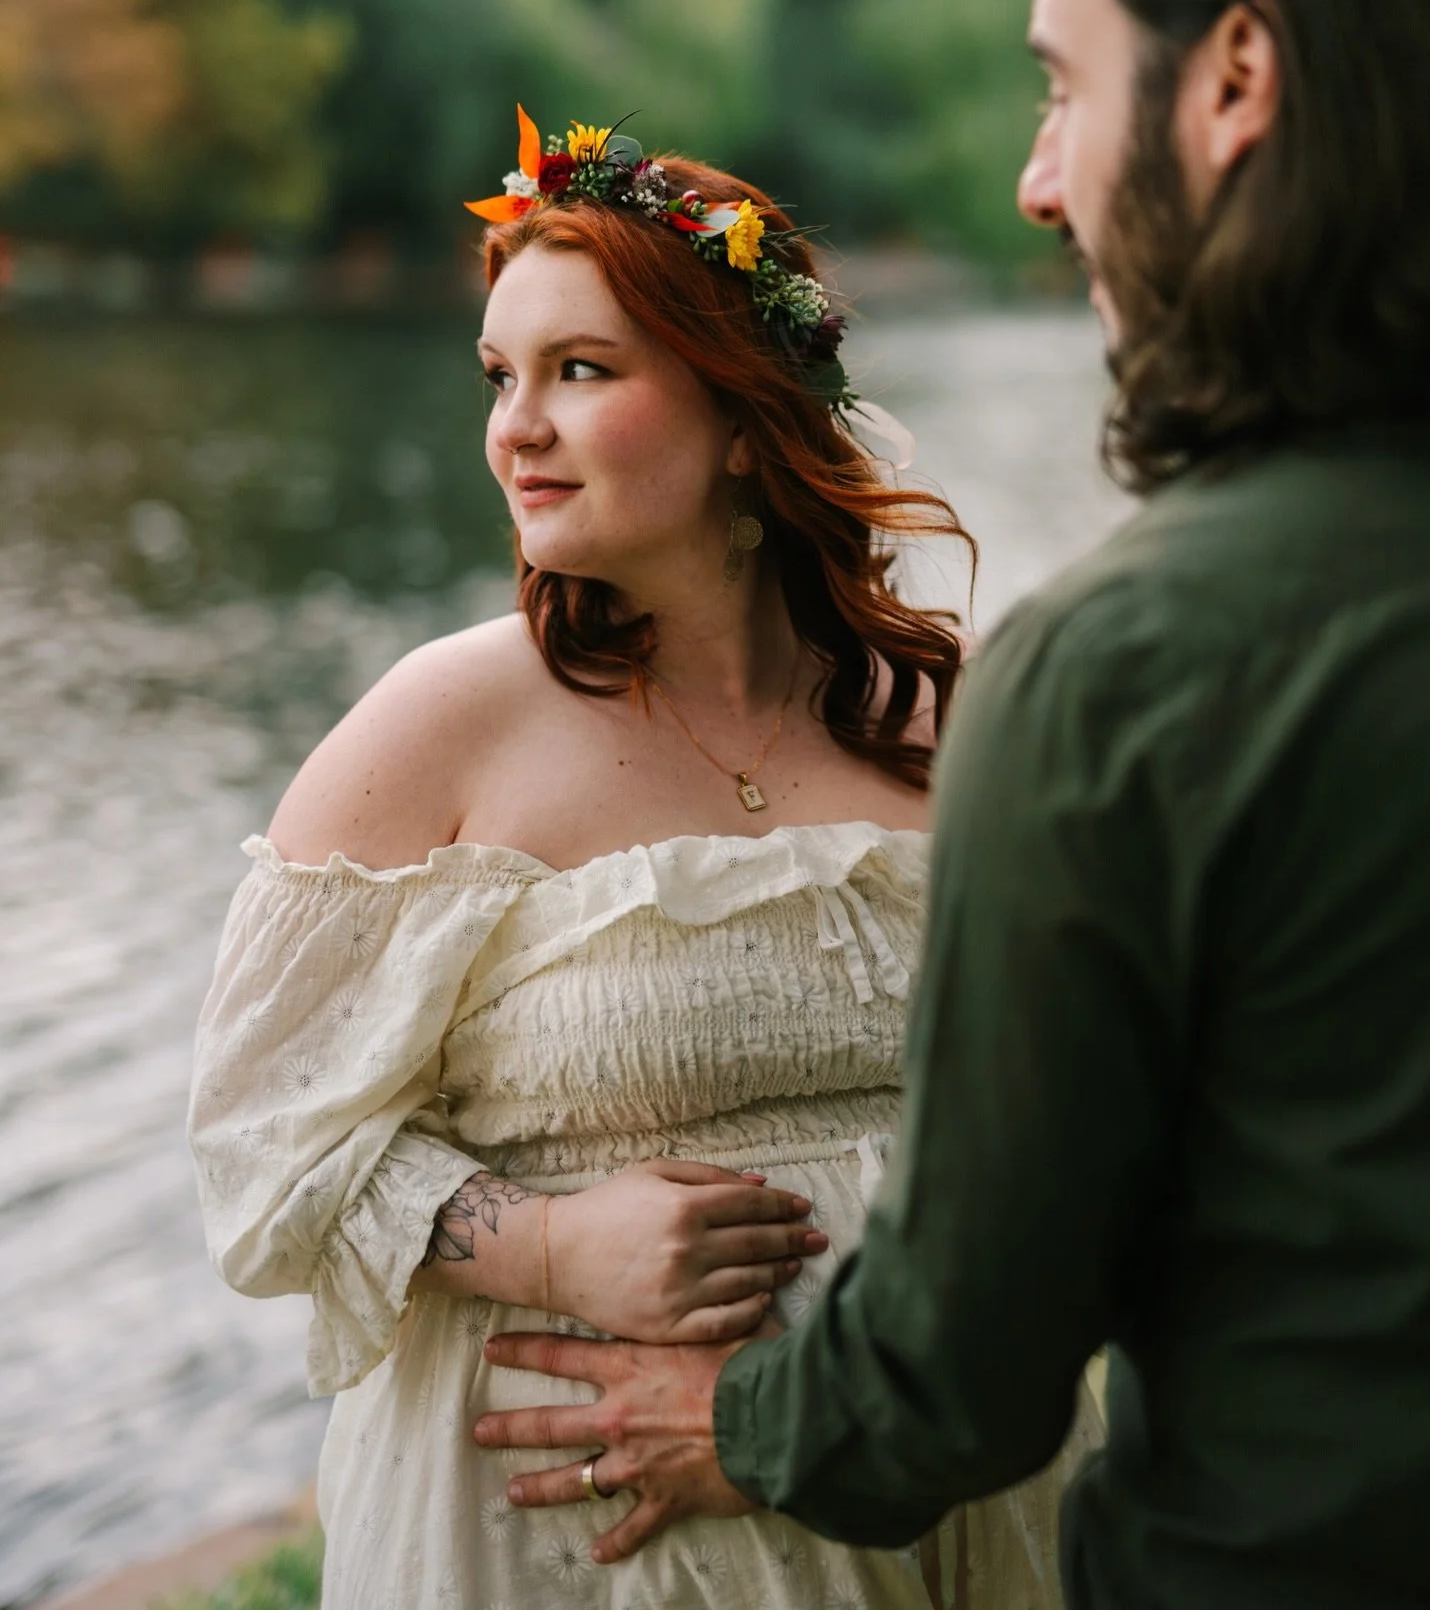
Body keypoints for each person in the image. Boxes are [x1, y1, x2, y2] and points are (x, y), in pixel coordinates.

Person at [469, 0, 1430, 1607]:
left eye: (1064, 88)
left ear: (1238, 80)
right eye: (501, 376)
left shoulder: (1127, 675)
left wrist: (742, 1420)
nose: (1038, 182)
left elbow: (963, 1364)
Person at [188, 113, 1100, 1607]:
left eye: (581, 371)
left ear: (744, 417)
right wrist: (544, 1246)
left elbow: (1085, 1113)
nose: (514, 429)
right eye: (500, 376)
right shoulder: (439, 726)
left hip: (939, 1497)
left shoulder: (962, 716)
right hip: (572, 1532)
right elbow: (262, 1146)